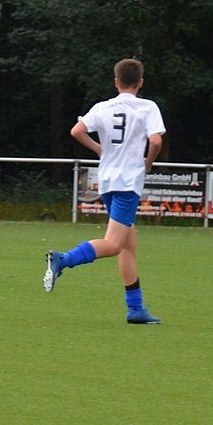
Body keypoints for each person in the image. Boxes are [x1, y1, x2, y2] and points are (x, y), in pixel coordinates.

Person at [42, 58, 165, 324]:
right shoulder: (147, 107)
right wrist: (148, 162)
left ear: (116, 82)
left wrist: (100, 149)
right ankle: (63, 259)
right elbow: (156, 140)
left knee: (128, 245)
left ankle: (135, 309)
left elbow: (76, 130)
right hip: (127, 183)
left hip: (108, 180)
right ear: (140, 82)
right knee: (114, 244)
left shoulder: (102, 107)